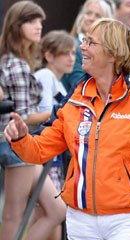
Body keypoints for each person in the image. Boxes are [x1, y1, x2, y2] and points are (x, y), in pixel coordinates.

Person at [4, 18, 130, 240]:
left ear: (113, 53)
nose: (82, 47)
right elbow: (39, 150)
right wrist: (21, 137)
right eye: (84, 40)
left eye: (91, 42)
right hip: (80, 221)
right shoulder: (75, 99)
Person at [0, 1, 66, 240]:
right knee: (13, 216)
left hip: (22, 146)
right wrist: (58, 113)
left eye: (40, 21)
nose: (39, 26)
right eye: (31, 21)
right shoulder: (16, 64)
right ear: (17, 26)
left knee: (56, 209)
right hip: (16, 144)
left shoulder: (16, 60)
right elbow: (22, 117)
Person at [31, 29, 76, 239]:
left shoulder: (58, 81)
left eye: (73, 53)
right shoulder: (45, 75)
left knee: (51, 215)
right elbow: (46, 115)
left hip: (53, 159)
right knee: (50, 212)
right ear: (49, 55)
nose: (71, 58)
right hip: (42, 154)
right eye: (65, 53)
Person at [61, 0, 114, 91]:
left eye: (98, 16)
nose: (91, 18)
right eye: (88, 13)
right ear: (82, 17)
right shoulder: (72, 47)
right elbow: (79, 84)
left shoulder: (110, 52)